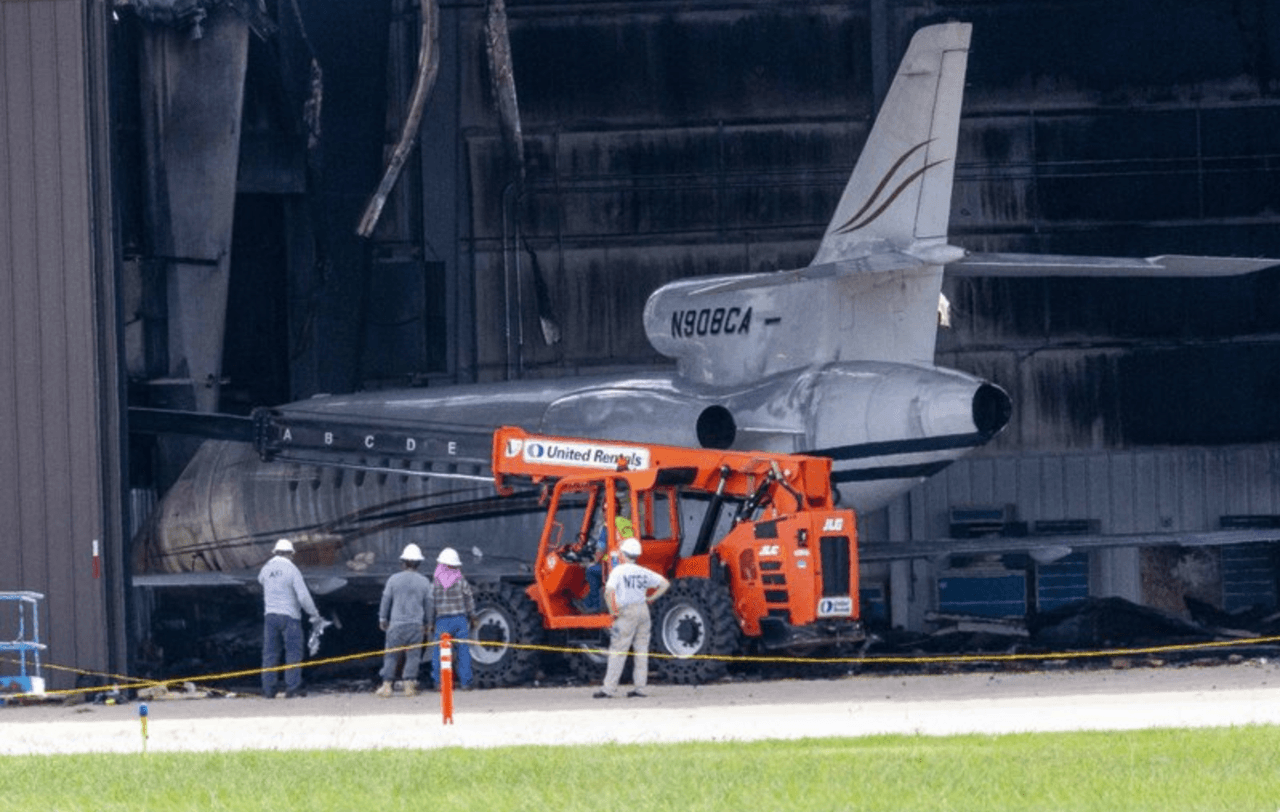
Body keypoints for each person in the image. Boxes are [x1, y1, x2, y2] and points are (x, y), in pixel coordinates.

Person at [594, 536, 670, 699]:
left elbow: (608, 592)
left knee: (618, 650)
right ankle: (640, 688)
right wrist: (651, 598)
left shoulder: (618, 571)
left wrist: (613, 611)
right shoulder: (642, 571)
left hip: (626, 612)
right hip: (643, 611)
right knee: (641, 651)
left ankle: (609, 689)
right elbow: (664, 583)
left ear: (623, 554)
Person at [258, 538, 322, 698]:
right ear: (290, 554)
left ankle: (268, 690)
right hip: (290, 617)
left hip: (270, 616)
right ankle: (292, 688)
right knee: (293, 652)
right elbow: (303, 596)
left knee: (270, 653)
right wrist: (314, 614)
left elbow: (260, 581)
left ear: (275, 552)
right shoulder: (292, 570)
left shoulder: (266, 569)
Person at [376, 543, 433, 697]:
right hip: (416, 626)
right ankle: (409, 686)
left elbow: (386, 600)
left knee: (391, 655)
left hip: (396, 625)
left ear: (403, 562)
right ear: (419, 563)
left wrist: (382, 618)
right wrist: (428, 623)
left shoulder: (393, 579)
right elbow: (428, 604)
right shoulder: (424, 582)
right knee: (413, 656)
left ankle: (387, 686)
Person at [428, 547, 476, 690]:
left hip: (442, 620)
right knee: (463, 651)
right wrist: (472, 615)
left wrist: (430, 622)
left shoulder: (435, 582)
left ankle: (439, 682)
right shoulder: (461, 580)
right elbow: (469, 598)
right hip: (460, 620)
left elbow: (431, 603)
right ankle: (466, 682)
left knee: (439, 652)